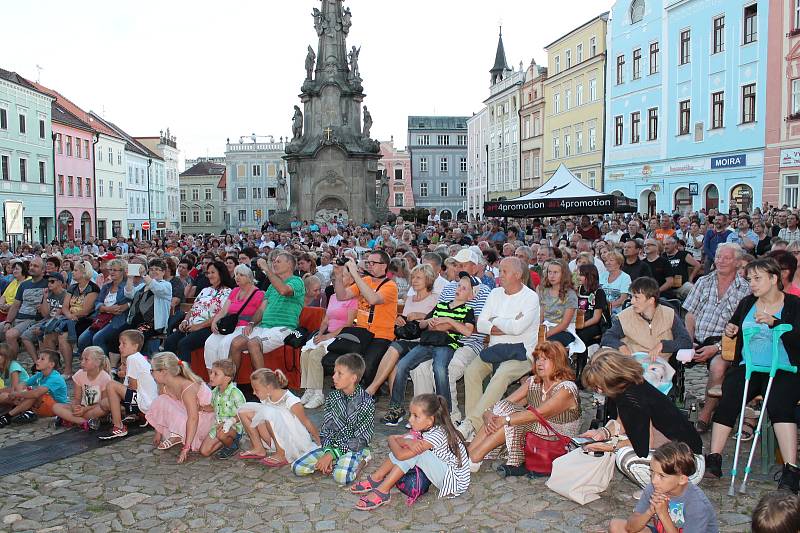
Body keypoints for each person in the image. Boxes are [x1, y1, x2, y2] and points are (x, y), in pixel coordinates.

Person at [705, 258, 800, 493]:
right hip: (749, 367)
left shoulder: (794, 304)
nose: (752, 284)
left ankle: (791, 469)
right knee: (728, 398)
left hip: (784, 369)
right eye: (750, 279)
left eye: (757, 279)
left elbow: (797, 338)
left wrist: (775, 323)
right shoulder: (747, 302)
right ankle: (714, 459)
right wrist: (731, 329)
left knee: (780, 404)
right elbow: (734, 325)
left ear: (774, 278)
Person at [579, 350, 705, 489]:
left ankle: (660, 490)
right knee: (621, 448)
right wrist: (603, 433)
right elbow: (623, 422)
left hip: (688, 463)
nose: (598, 391)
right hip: (685, 452)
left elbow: (643, 447)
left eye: (598, 386)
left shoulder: (632, 399)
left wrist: (606, 446)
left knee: (626, 458)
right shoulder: (630, 386)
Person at [467, 341, 580, 477]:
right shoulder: (533, 382)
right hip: (535, 429)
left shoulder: (566, 389)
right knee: (504, 409)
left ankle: (474, 457)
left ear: (558, 362)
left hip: (559, 438)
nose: (539, 363)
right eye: (538, 358)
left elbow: (539, 414)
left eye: (545, 359)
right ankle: (468, 453)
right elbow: (505, 403)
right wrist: (488, 413)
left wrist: (506, 420)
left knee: (515, 420)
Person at [458, 257, 540, 440]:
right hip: (495, 350)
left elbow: (519, 329)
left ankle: (470, 424)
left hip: (521, 354)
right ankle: (475, 428)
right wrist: (508, 322)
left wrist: (495, 320)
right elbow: (481, 324)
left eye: (504, 271)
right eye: (500, 270)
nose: (499, 275)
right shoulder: (495, 293)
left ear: (517, 275)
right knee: (471, 372)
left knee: (502, 375)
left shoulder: (530, 298)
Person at [382, 272, 476, 425]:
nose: (459, 289)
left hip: (446, 344)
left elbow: (467, 331)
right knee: (402, 365)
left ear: (471, 296)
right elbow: (421, 324)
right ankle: (396, 408)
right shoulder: (440, 306)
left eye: (464, 288)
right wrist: (431, 321)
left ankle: (445, 413)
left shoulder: (467, 311)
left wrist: (448, 320)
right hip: (427, 342)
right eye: (459, 286)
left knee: (439, 369)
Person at [410, 249, 492, 423]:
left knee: (448, 370)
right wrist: (439, 323)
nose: (456, 268)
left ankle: (451, 417)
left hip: (469, 343)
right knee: (419, 369)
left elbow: (477, 326)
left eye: (461, 265)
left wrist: (447, 324)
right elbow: (436, 318)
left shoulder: (484, 291)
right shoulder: (448, 289)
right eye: (455, 264)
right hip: (441, 341)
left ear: (475, 267)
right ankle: (423, 415)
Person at [351, 393, 469, 509]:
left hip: (453, 481)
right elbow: (403, 439)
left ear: (429, 421)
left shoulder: (437, 434)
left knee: (415, 452)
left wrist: (391, 438)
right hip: (443, 469)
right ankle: (377, 477)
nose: (411, 420)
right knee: (412, 442)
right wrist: (406, 441)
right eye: (411, 415)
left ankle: (383, 491)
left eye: (416, 416)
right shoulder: (427, 427)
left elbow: (401, 454)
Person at [682, 243, 750, 432]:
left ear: (737, 262)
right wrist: (689, 340)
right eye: (719, 257)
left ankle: (707, 413)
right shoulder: (704, 281)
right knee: (668, 353)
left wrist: (717, 348)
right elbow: (690, 314)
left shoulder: (745, 289)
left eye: (727, 258)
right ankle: (667, 407)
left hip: (725, 343)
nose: (721, 261)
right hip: (696, 338)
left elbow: (742, 328)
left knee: (719, 366)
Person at [292, 353, 375, 485]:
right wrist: (328, 451)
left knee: (341, 477)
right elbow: (326, 429)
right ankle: (334, 462)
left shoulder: (366, 402)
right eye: (334, 372)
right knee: (297, 467)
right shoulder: (332, 398)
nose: (334, 376)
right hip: (332, 447)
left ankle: (363, 459)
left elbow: (361, 439)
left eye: (339, 373)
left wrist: (333, 455)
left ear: (353, 378)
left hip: (354, 448)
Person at [608, 441, 719, 533]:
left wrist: (663, 513)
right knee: (616, 526)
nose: (654, 480)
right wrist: (650, 511)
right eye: (652, 472)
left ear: (682, 479)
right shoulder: (654, 488)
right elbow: (630, 528)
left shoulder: (696, 504)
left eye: (662, 476)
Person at [364, 264, 438, 399]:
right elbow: (405, 322)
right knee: (394, 362)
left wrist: (421, 315)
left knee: (395, 349)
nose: (414, 280)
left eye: (418, 278)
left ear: (428, 280)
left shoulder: (435, 298)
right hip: (405, 340)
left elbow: (437, 321)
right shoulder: (409, 299)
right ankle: (394, 405)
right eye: (413, 277)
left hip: (422, 342)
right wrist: (399, 320)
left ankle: (372, 389)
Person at [230, 252, 305, 371]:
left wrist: (266, 269)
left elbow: (284, 290)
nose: (274, 263)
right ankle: (231, 385)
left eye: (278, 261)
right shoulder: (271, 286)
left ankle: (262, 386)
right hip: (264, 327)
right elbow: (261, 309)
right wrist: (251, 323)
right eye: (274, 261)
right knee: (235, 343)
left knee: (253, 343)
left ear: (290, 264)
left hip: (283, 328)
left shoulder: (297, 281)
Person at [332, 251, 398, 385]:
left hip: (381, 335)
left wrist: (355, 274)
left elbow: (373, 299)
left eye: (373, 263)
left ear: (384, 266)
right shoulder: (366, 280)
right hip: (362, 332)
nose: (369, 265)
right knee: (345, 362)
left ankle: (367, 393)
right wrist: (338, 276)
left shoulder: (391, 286)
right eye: (368, 262)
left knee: (366, 367)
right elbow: (341, 296)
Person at [237, 368, 319, 466]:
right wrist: (232, 420)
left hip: (292, 442)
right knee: (244, 411)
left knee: (269, 413)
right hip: (273, 438)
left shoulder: (291, 400)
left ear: (268, 387)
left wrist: (319, 442)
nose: (254, 393)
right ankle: (258, 448)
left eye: (256, 390)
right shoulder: (266, 398)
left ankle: (282, 453)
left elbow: (306, 422)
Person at [145, 352, 215, 464]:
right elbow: (162, 409)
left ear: (163, 372)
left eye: (152, 370)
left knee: (164, 402)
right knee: (160, 400)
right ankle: (177, 434)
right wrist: (159, 431)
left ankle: (179, 435)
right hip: (189, 416)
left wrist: (186, 448)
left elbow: (193, 418)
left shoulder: (187, 387)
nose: (151, 374)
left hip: (204, 421)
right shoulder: (164, 386)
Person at [601, 277, 692, 360]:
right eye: (632, 297)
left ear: (651, 300)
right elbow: (607, 337)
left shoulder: (669, 314)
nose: (632, 301)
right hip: (632, 365)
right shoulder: (625, 316)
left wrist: (663, 345)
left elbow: (686, 341)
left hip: (660, 366)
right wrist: (621, 346)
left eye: (636, 298)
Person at [164, 261, 234, 363]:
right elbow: (193, 308)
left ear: (221, 273)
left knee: (184, 344)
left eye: (212, 272)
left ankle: (186, 376)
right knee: (169, 341)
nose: (209, 275)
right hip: (191, 325)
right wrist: (185, 321)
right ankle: (169, 372)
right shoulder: (205, 290)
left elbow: (220, 315)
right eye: (208, 273)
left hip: (208, 327)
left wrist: (198, 326)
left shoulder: (228, 292)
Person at [97, 330, 159, 440]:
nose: (120, 347)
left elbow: (133, 387)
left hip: (146, 402)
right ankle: (137, 415)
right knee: (105, 403)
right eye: (120, 344)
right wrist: (124, 375)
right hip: (145, 401)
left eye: (124, 344)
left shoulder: (133, 358)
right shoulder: (136, 358)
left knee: (111, 385)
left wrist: (121, 382)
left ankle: (119, 427)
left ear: (135, 346)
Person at [204, 265, 264, 370]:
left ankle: (227, 379)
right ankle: (213, 376)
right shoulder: (235, 291)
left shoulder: (259, 294)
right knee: (210, 343)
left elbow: (260, 314)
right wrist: (214, 322)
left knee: (225, 344)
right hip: (230, 326)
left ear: (249, 277)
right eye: (236, 275)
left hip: (244, 327)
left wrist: (251, 325)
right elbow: (223, 311)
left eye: (241, 275)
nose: (237, 277)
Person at [77, 258, 132, 357]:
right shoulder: (107, 286)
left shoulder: (127, 286)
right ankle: (89, 360)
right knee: (83, 339)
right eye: (111, 269)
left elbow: (131, 299)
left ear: (123, 271)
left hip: (117, 319)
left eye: (115, 270)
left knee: (98, 338)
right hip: (102, 317)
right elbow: (98, 302)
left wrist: (126, 305)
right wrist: (106, 308)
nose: (111, 272)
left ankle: (104, 365)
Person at [0, 350, 67, 426]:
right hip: (40, 404)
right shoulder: (40, 374)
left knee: (33, 394)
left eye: (42, 359)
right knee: (4, 395)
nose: (37, 361)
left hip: (55, 407)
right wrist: (18, 393)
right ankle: (25, 411)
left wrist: (18, 394)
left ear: (51, 364)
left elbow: (36, 394)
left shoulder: (55, 378)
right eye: (38, 358)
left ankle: (7, 416)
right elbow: (23, 383)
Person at [51, 346, 112, 429]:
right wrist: (75, 407)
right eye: (81, 359)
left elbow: (104, 403)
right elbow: (77, 398)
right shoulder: (79, 374)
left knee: (102, 410)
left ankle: (71, 419)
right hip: (82, 408)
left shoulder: (105, 378)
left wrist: (85, 409)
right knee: (56, 407)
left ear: (97, 362)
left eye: (86, 359)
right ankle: (83, 422)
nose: (82, 362)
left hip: (95, 409)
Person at [199, 359, 246, 459]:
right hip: (218, 426)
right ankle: (226, 441)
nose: (211, 376)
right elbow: (213, 407)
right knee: (204, 452)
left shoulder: (235, 393)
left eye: (216, 374)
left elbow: (243, 413)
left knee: (221, 434)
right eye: (211, 372)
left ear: (227, 378)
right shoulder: (215, 392)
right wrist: (200, 408)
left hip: (234, 427)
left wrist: (230, 422)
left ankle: (233, 445)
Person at [1, 256, 48, 359]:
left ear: (43, 270)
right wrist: (8, 321)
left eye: (36, 266)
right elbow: (15, 305)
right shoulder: (24, 285)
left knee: (10, 335)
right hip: (18, 317)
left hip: (32, 319)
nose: (31, 267)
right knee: (4, 328)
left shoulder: (48, 283)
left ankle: (12, 365)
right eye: (31, 265)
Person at [538, 258, 578, 348]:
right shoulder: (544, 291)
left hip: (565, 331)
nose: (552, 276)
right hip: (546, 327)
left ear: (563, 275)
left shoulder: (570, 295)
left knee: (547, 344)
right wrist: (539, 331)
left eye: (555, 273)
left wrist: (545, 335)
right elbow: (541, 316)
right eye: (549, 272)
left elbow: (564, 324)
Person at [600, 251, 632, 316]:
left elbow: (623, 299)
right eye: (606, 261)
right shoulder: (602, 275)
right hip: (602, 312)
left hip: (618, 313)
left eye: (611, 260)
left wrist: (606, 308)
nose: (607, 263)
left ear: (619, 263)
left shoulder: (625, 277)